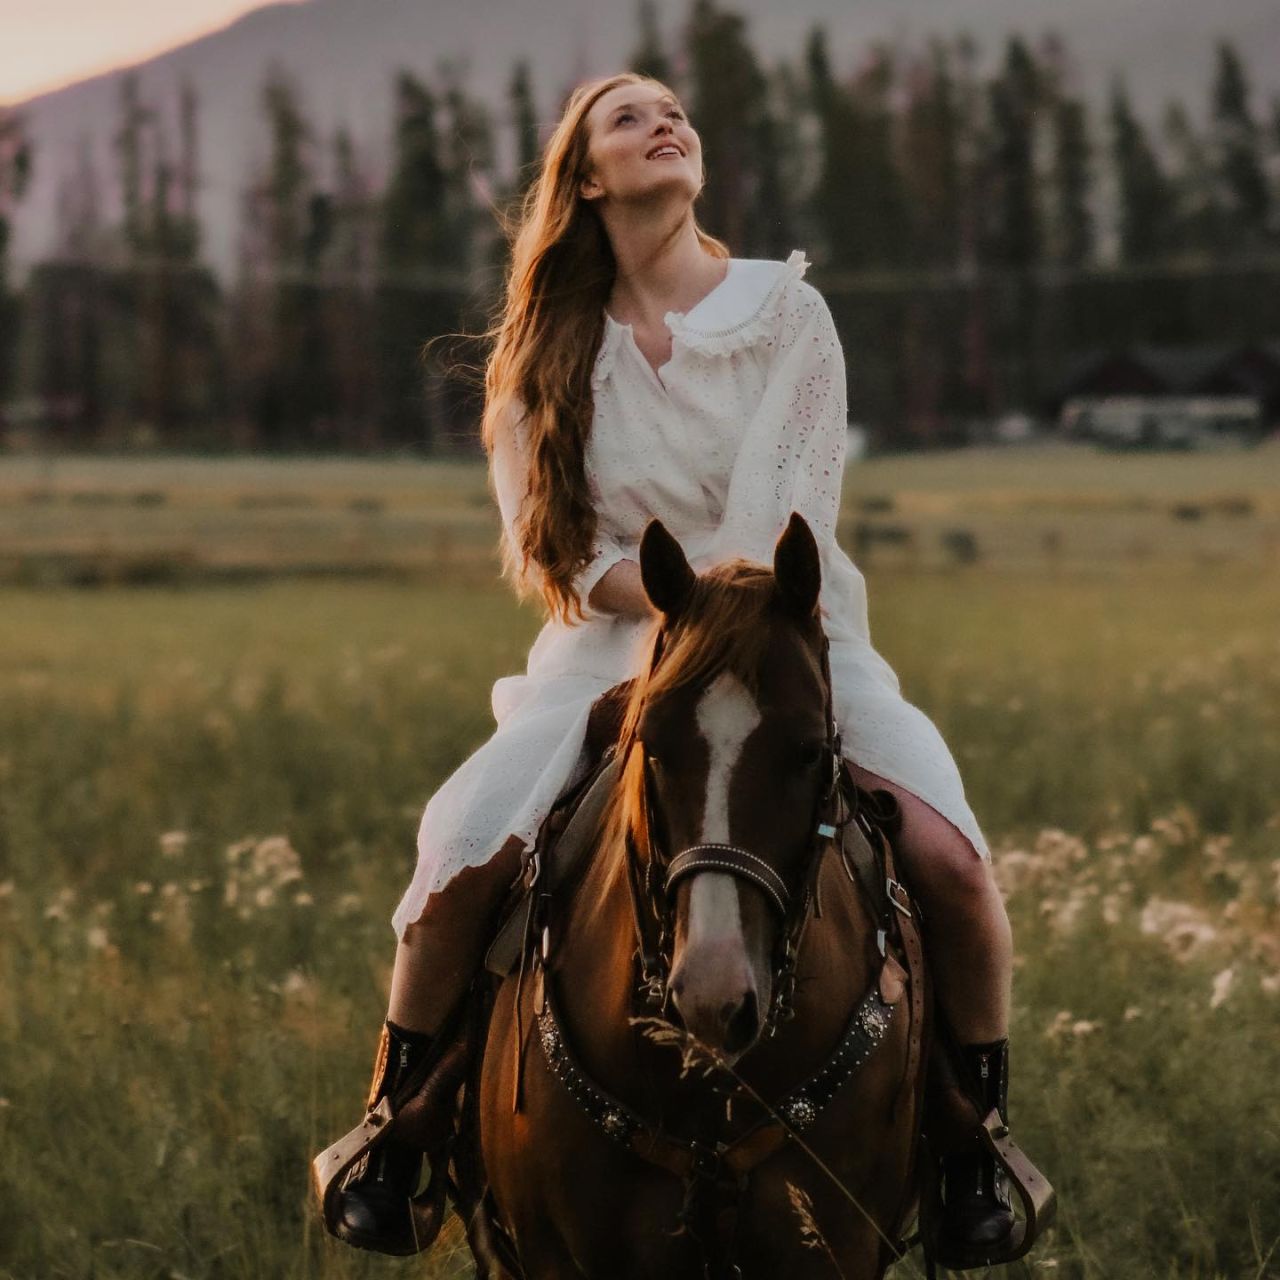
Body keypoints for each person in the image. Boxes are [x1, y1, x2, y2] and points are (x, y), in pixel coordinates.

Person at [319, 70, 1020, 1260]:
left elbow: (785, 508)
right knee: (452, 858)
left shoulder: (787, 316)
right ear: (585, 176)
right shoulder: (541, 355)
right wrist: (663, 598)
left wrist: (714, 604)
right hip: (610, 652)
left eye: (675, 111)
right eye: (627, 116)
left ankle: (972, 1150)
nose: (666, 122)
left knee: (951, 864)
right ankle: (398, 1131)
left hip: (795, 641)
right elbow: (558, 550)